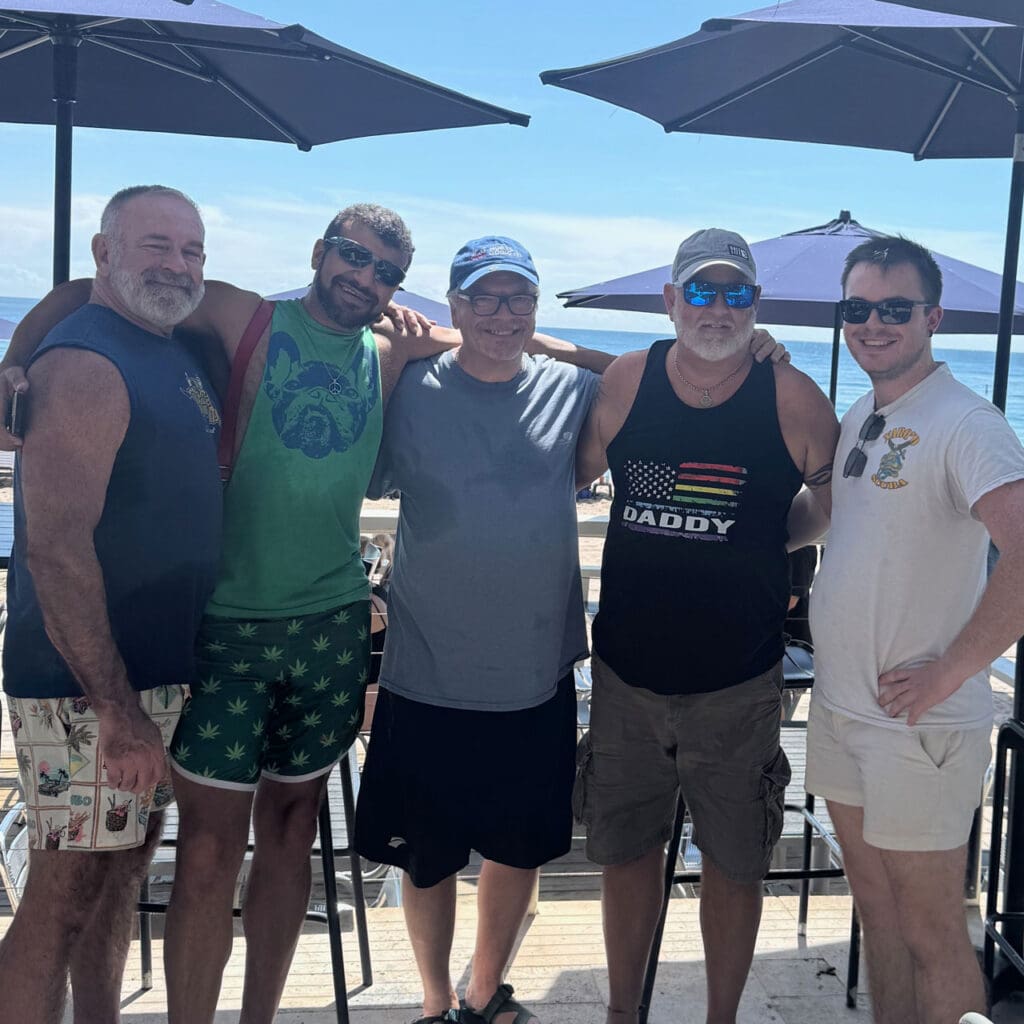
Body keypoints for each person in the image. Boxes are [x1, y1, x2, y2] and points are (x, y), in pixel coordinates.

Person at [0, 209, 616, 1024]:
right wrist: (13, 365)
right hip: (225, 624)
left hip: (330, 623)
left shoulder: (392, 348)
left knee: (290, 834)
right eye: (353, 258)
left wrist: (544, 342)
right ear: (321, 254)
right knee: (210, 852)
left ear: (402, 286)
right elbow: (91, 286)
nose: (365, 277)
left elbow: (511, 344)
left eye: (386, 270)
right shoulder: (241, 314)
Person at [353, 234, 789, 1024]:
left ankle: (484, 993)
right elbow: (360, 464)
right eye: (481, 297)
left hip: (536, 671)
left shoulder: (570, 390)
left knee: (517, 849)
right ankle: (429, 1002)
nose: (500, 313)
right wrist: (396, 357)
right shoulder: (409, 384)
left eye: (518, 297)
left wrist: (747, 352)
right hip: (423, 664)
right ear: (451, 303)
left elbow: (656, 375)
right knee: (425, 859)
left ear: (536, 306)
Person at [572, 228, 839, 1024]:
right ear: (670, 300)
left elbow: (832, 506)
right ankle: (625, 1011)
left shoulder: (792, 396)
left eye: (736, 294)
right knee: (625, 855)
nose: (717, 308)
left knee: (734, 864)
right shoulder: (625, 378)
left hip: (739, 683)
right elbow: (574, 473)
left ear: (756, 304)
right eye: (700, 290)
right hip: (624, 674)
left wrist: (769, 537)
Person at [0, 185, 222, 1024]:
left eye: (191, 250)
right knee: (61, 899)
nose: (177, 264)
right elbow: (54, 547)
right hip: (88, 688)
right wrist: (116, 708)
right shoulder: (86, 363)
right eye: (156, 245)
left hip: (150, 676)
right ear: (103, 254)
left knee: (119, 875)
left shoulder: (164, 346)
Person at [804, 236, 1024, 1024]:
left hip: (917, 723)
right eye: (857, 309)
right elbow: (833, 517)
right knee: (877, 914)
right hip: (843, 711)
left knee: (933, 930)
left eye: (894, 308)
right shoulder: (867, 409)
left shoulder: (966, 422)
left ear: (934, 316)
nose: (873, 324)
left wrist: (954, 669)